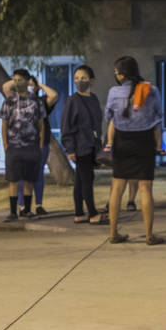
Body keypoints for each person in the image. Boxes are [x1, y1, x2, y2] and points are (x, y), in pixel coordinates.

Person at [103, 56, 165, 245]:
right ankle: (149, 235)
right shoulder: (151, 90)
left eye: (116, 72)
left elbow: (108, 116)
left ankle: (113, 234)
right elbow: (159, 117)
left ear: (122, 74)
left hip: (122, 141)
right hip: (144, 142)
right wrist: (158, 145)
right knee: (145, 188)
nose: (115, 76)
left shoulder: (113, 92)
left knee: (117, 188)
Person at [0, 70, 52, 221]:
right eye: (15, 80)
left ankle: (27, 210)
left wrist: (41, 145)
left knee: (29, 179)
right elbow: (4, 123)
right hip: (14, 147)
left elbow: (41, 124)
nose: (17, 83)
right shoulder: (9, 101)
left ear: (27, 81)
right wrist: (5, 144)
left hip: (32, 146)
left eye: (20, 79)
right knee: (13, 180)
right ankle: (13, 212)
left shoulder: (36, 101)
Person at [60, 65, 105, 224]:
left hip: (91, 145)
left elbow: (97, 123)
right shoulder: (72, 100)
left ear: (91, 80)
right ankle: (92, 214)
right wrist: (70, 148)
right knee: (87, 179)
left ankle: (79, 213)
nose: (80, 81)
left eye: (83, 78)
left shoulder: (93, 98)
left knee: (80, 180)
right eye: (77, 78)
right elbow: (66, 126)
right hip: (80, 146)